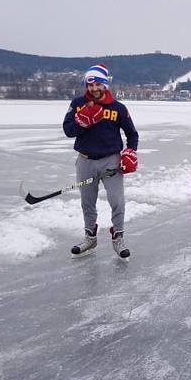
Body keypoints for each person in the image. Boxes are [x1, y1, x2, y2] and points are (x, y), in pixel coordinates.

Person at [63, 64, 139, 260]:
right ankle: (90, 237)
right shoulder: (78, 104)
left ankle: (118, 238)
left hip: (111, 162)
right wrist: (82, 123)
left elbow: (132, 134)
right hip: (85, 161)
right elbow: (68, 130)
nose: (94, 88)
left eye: (98, 84)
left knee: (117, 201)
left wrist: (130, 152)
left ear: (105, 85)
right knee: (87, 202)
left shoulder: (118, 108)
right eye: (90, 84)